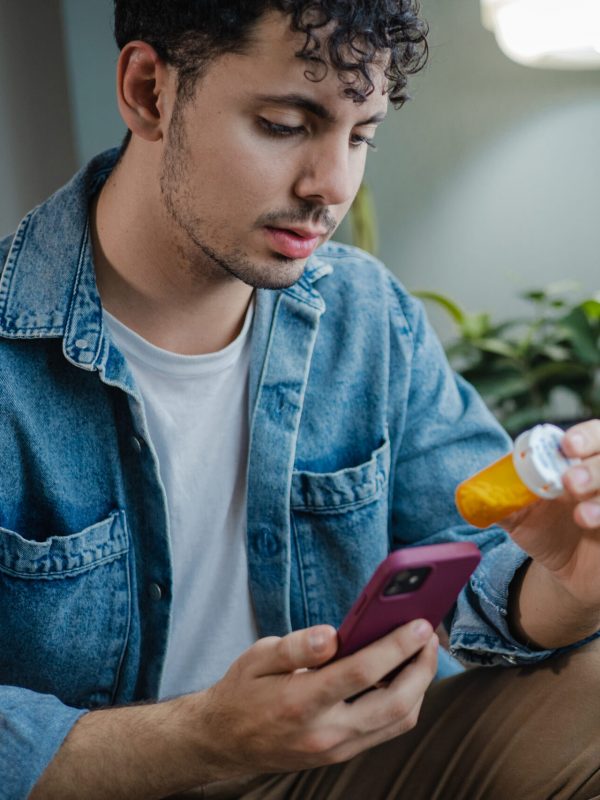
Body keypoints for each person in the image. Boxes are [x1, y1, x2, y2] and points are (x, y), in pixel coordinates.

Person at [1, 1, 599, 798]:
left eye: (361, 136)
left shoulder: (365, 315)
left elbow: (476, 569)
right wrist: (205, 739)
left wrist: (565, 585)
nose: (332, 187)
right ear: (149, 90)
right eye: (286, 123)